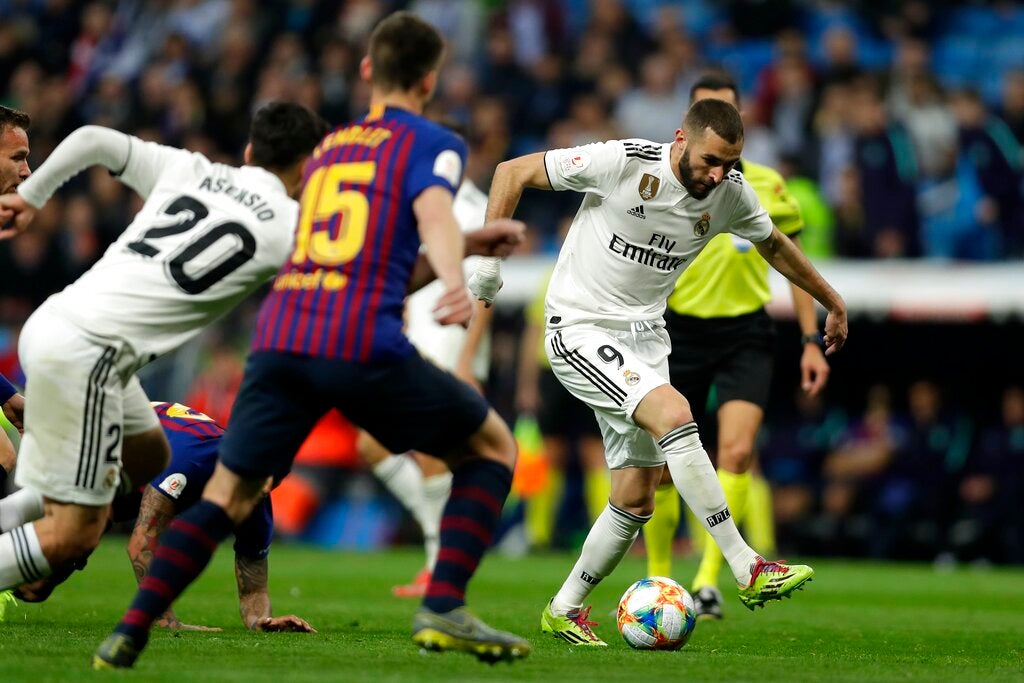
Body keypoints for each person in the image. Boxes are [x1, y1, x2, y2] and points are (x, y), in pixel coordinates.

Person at [95, 12, 529, 669]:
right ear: (430, 80)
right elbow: (435, 214)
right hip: (356, 341)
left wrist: (464, 247)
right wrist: (454, 275)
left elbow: (361, 258)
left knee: (230, 495)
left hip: (280, 338)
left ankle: (130, 626)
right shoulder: (433, 142)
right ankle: (443, 604)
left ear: (365, 72)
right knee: (493, 446)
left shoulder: (326, 149)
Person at [474, 96, 847, 646]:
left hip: (646, 341)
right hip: (579, 327)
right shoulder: (623, 162)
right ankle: (746, 566)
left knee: (636, 497)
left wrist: (831, 301)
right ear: (680, 139)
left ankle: (564, 608)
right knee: (676, 413)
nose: (717, 174)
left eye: (729, 164)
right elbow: (513, 171)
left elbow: (776, 246)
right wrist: (487, 261)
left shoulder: (730, 194)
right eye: (709, 160)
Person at [0, 102, 330, 603]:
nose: (25, 169)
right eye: (18, 159)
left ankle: (34, 520)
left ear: (248, 152)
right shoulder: (290, 225)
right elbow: (363, 277)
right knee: (75, 534)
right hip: (90, 356)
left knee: (148, 451)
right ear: (309, 169)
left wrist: (33, 195)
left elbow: (90, 137)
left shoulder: (192, 170)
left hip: (58, 325)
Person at [642, 72, 831, 621]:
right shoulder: (664, 177)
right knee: (663, 464)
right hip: (680, 329)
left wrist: (808, 339)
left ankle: (705, 582)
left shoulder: (768, 184)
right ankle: (659, 580)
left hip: (747, 330)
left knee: (738, 452)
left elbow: (791, 260)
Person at [4, 401, 315, 635]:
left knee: (37, 588)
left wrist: (261, 621)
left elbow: (254, 590)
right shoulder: (193, 461)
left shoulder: (256, 500)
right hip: (98, 435)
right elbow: (141, 542)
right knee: (74, 539)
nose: (262, 488)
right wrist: (166, 620)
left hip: (130, 465)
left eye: (272, 481)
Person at [361, 152, 494, 599]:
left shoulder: (474, 210)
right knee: (371, 443)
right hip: (413, 343)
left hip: (448, 346)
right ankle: (441, 543)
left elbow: (485, 292)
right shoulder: (422, 204)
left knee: (432, 448)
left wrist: (466, 361)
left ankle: (441, 562)